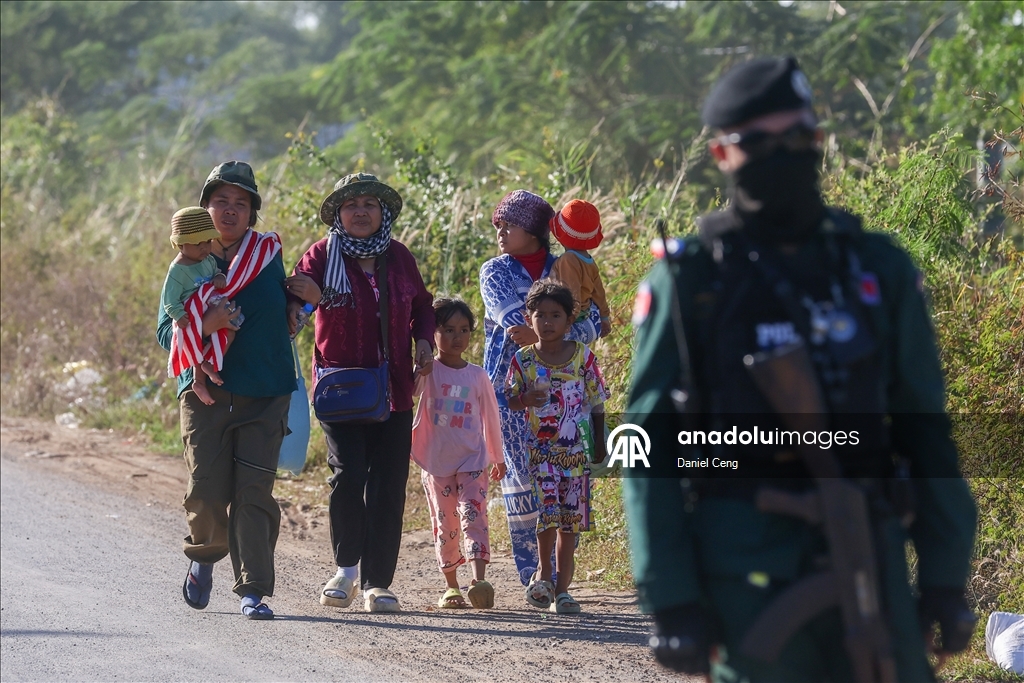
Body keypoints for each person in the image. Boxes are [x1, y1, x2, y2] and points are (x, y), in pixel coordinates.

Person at [622, 56, 977, 681]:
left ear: (820, 142)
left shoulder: (876, 269)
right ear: (721, 154)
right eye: (759, 142)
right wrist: (672, 598)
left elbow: (927, 433)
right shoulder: (692, 280)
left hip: (873, 563)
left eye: (799, 138)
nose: (783, 154)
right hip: (746, 583)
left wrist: (946, 578)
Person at [156, 161, 295, 620]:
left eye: (241, 203)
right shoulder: (187, 265)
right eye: (221, 201)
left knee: (255, 491)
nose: (230, 211)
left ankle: (253, 589)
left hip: (265, 389)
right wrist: (203, 324)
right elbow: (164, 329)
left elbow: (288, 305)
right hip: (205, 395)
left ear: (252, 212)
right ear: (205, 210)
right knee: (207, 490)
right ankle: (204, 556)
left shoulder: (267, 253)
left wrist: (303, 303)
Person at [290, 172, 435, 614]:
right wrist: (313, 300)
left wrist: (425, 340)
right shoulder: (320, 255)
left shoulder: (400, 257)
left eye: (369, 204)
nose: (359, 211)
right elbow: (295, 304)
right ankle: (346, 571)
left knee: (389, 485)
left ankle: (378, 584)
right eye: (350, 205)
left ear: (383, 213)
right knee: (348, 477)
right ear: (337, 214)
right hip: (342, 390)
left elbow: (423, 306)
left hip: (394, 390)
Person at [479, 189, 604, 587]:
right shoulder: (495, 271)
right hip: (509, 391)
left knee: (562, 480)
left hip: (567, 399)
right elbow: (514, 322)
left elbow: (598, 316)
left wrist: (564, 329)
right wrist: (565, 328)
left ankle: (558, 576)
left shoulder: (566, 264)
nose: (500, 231)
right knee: (522, 478)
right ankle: (534, 574)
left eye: (509, 224)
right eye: (498, 224)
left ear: (534, 230)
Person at [506, 280, 608, 614]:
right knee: (548, 515)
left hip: (576, 455)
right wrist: (524, 399)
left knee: (569, 523)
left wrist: (600, 443)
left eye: (556, 315)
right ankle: (545, 576)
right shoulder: (523, 360)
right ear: (528, 318)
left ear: (569, 321)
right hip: (542, 454)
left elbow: (596, 403)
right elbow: (510, 398)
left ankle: (563, 591)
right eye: (540, 315)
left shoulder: (583, 358)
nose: (547, 322)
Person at [410, 296, 506, 609]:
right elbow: (409, 395)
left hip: (473, 459)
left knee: (473, 516)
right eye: (448, 329)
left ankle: (479, 581)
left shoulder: (477, 376)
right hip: (437, 463)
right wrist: (418, 369)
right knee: (446, 525)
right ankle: (451, 587)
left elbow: (491, 417)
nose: (457, 337)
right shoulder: (428, 371)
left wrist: (497, 457)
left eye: (464, 330)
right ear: (433, 333)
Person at [161, 206, 230, 405]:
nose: (204, 248)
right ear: (180, 244)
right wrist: (178, 314)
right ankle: (198, 380)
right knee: (193, 339)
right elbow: (169, 300)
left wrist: (219, 276)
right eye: (196, 243)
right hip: (190, 314)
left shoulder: (207, 259)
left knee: (230, 332)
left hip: (210, 306)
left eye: (207, 242)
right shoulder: (177, 271)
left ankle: (208, 362)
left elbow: (216, 270)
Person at [549, 199, 612, 338]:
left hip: (572, 320)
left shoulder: (568, 260)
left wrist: (566, 323)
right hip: (584, 315)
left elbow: (571, 294)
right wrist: (604, 317)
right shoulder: (589, 260)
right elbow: (598, 292)